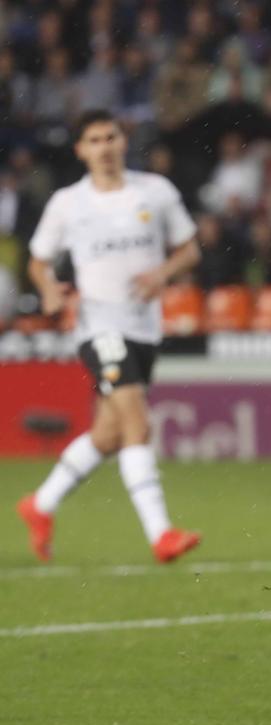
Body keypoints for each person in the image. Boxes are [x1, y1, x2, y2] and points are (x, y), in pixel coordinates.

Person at [16, 109, 202, 564]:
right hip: (99, 326)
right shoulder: (67, 203)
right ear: (81, 150)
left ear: (123, 141)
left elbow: (190, 249)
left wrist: (163, 272)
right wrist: (48, 290)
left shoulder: (155, 192)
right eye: (94, 140)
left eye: (110, 137)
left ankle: (39, 506)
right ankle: (161, 535)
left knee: (109, 434)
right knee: (138, 424)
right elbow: (38, 261)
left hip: (145, 328)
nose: (104, 146)